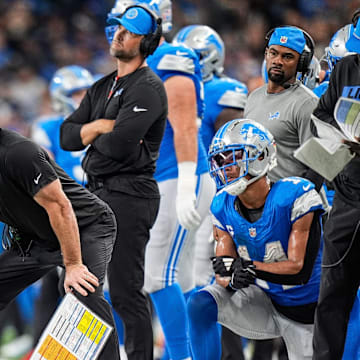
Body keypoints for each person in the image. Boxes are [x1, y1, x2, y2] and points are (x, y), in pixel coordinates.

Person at [60, 5, 167, 360]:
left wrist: (93, 134)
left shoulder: (149, 88)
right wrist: (98, 127)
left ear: (147, 41)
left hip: (129, 193)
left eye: (131, 31)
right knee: (86, 286)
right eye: (119, 27)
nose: (120, 35)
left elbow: (120, 148)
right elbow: (66, 135)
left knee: (124, 290)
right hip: (98, 192)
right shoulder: (104, 85)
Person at [187, 118, 324, 360]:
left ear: (260, 156)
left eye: (233, 157)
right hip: (268, 302)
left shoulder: (293, 195)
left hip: (312, 312)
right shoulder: (222, 205)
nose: (225, 167)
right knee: (200, 304)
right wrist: (233, 279)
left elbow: (298, 269)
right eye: (219, 160)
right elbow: (224, 273)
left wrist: (249, 268)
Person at [0, 128, 120, 360]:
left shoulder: (18, 153)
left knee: (82, 291)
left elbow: (61, 207)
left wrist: (73, 264)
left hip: (87, 225)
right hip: (36, 238)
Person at [173, 24, 248, 360]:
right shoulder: (174, 91)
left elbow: (238, 153)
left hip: (215, 205)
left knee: (213, 284)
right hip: (181, 201)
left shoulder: (222, 91)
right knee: (188, 283)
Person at [311, 9, 360, 360]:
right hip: (347, 195)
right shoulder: (346, 69)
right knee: (331, 294)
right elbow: (321, 118)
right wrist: (329, 176)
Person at [244, 26, 321, 190]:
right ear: (266, 54)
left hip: (290, 202)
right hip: (259, 201)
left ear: (300, 63)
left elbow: (318, 167)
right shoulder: (253, 97)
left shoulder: (307, 103)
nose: (277, 61)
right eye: (274, 53)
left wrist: (298, 202)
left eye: (287, 57)